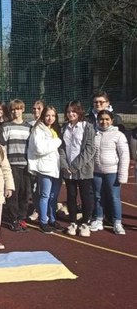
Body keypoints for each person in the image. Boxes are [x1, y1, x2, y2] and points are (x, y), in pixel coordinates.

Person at [59, 101, 95, 237]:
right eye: (68, 111)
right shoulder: (64, 128)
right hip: (68, 170)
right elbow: (61, 148)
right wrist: (65, 165)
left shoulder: (88, 127)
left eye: (73, 111)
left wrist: (75, 166)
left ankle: (85, 223)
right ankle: (73, 222)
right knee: (71, 196)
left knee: (86, 196)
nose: (70, 114)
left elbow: (90, 149)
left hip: (83, 169)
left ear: (79, 112)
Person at [90, 110, 129, 235]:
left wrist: (122, 175)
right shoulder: (93, 133)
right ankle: (99, 219)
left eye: (107, 119)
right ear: (97, 120)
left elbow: (124, 155)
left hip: (112, 171)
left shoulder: (118, 135)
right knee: (98, 196)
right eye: (101, 119)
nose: (104, 122)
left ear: (112, 120)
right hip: (96, 172)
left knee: (114, 197)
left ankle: (117, 222)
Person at [27, 106, 62, 234]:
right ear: (43, 116)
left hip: (55, 167)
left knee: (53, 196)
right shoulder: (38, 130)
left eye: (53, 115)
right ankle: (43, 221)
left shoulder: (53, 129)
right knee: (45, 195)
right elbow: (39, 149)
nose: (50, 118)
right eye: (48, 115)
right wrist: (57, 142)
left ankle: (52, 219)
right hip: (45, 168)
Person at [2, 99, 32, 232]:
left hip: (25, 166)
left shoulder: (29, 127)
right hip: (12, 165)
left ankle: (21, 218)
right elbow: (3, 147)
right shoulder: (6, 126)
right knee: (12, 195)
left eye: (18, 109)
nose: (16, 112)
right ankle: (13, 219)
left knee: (25, 194)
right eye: (13, 109)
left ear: (23, 109)